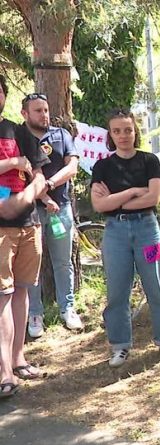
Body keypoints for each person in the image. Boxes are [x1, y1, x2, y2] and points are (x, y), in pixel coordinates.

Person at [90, 109, 160, 368]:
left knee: (157, 288)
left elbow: (153, 198)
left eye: (127, 129)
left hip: (148, 231)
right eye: (117, 130)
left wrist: (114, 201)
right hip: (115, 234)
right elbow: (98, 205)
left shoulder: (149, 160)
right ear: (111, 134)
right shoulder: (102, 166)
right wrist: (132, 192)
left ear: (134, 131)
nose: (123, 135)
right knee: (117, 291)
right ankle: (120, 346)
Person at [0, 75, 49, 396]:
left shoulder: (18, 130)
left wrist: (24, 197)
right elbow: (23, 165)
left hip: (29, 223)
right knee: (2, 296)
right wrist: (13, 162)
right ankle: (4, 372)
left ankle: (18, 358)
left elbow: (41, 175)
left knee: (21, 291)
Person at [21, 92, 83, 338]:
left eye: (45, 110)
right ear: (25, 113)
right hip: (29, 211)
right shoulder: (18, 136)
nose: (44, 115)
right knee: (31, 265)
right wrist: (40, 196)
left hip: (61, 208)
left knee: (62, 262)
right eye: (38, 111)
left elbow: (72, 166)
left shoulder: (61, 135)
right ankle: (34, 313)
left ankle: (68, 308)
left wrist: (49, 185)